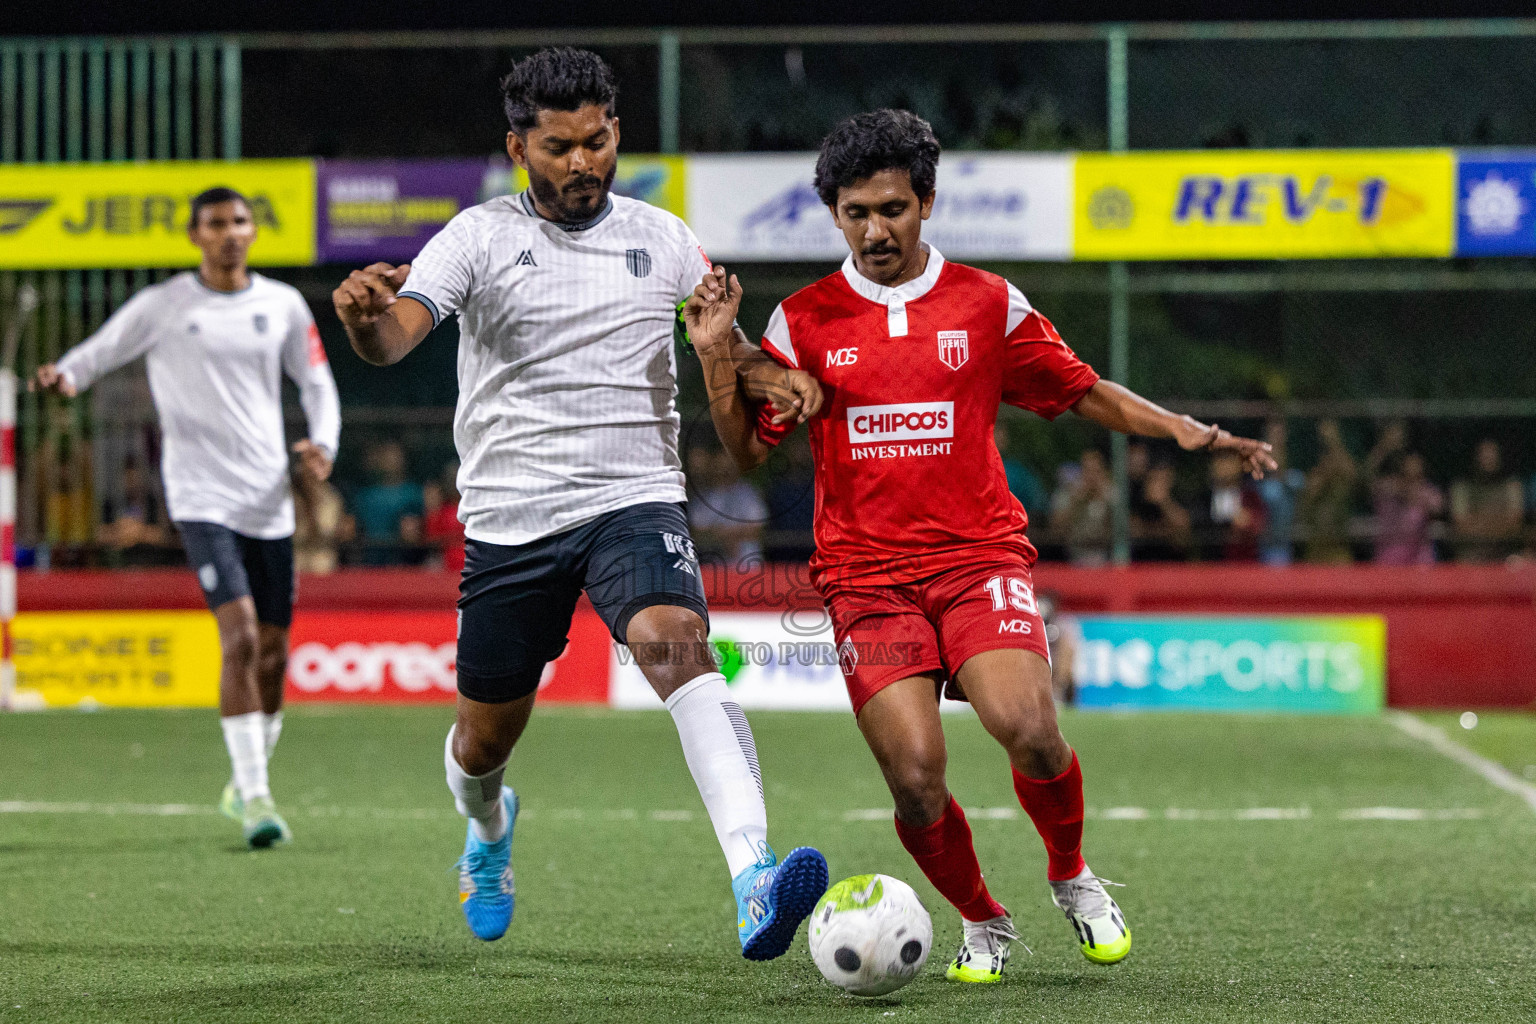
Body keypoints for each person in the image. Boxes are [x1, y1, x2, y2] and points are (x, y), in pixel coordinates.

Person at [685, 109, 1275, 983]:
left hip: (977, 560)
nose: (875, 229)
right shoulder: (802, 320)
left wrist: (1183, 430)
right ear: (835, 216)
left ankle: (1071, 874)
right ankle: (982, 919)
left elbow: (1081, 391)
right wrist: (714, 362)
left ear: (925, 201)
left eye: (892, 208)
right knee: (917, 777)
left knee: (1030, 730)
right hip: (865, 582)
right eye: (856, 213)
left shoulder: (986, 302)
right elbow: (748, 448)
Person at [330, 48, 827, 956]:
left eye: (596, 142)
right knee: (482, 746)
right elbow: (396, 338)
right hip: (511, 523)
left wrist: (774, 376)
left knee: (679, 651)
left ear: (616, 134)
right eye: (557, 147)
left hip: (634, 501)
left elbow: (733, 346)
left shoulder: (665, 237)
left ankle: (755, 875)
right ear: (518, 145)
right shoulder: (476, 238)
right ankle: (488, 834)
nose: (580, 164)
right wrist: (366, 322)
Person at [34, 186, 340, 848]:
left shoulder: (281, 305)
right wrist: (66, 375)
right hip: (201, 499)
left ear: (253, 231)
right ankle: (255, 794)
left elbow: (316, 381)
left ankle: (248, 774)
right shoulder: (166, 305)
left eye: (238, 221)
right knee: (240, 639)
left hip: (268, 499)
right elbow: (103, 348)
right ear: (195, 235)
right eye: (215, 224)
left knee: (275, 652)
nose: (228, 233)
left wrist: (324, 444)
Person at [687, 446, 767, 567]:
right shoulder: (704, 496)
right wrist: (722, 538)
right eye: (721, 466)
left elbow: (758, 530)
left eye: (729, 466)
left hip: (748, 565)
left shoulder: (749, 493)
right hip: (712, 567)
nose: (725, 470)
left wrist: (730, 536)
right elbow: (696, 532)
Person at [1449, 438, 1524, 563]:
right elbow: (1461, 526)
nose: (1489, 458)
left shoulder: (1512, 486)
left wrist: (1477, 522)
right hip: (1470, 557)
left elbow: (1514, 524)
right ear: (1475, 457)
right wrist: (1498, 521)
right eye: (1484, 454)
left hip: (1505, 555)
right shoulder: (1461, 487)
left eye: (1493, 453)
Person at [353, 440, 424, 565]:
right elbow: (354, 530)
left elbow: (416, 533)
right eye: (386, 454)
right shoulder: (366, 495)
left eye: (395, 455)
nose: (390, 460)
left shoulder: (414, 493)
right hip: (369, 561)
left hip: (404, 562)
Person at [1298, 419, 1358, 564]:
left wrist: (1334, 441)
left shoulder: (1340, 485)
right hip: (1315, 551)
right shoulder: (1313, 480)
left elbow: (1352, 474)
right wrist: (1322, 479)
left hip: (1339, 549)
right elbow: (1306, 503)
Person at [1372, 452, 1443, 565]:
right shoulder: (1387, 486)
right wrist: (1403, 492)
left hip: (1419, 555)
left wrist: (1420, 498)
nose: (1412, 470)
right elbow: (1376, 488)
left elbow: (1438, 509)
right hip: (1389, 553)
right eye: (1408, 466)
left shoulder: (1428, 491)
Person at [1049, 450, 1112, 566]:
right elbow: (1056, 526)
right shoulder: (1068, 494)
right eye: (1088, 471)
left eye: (1096, 471)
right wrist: (1077, 502)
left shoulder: (1111, 494)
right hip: (1073, 556)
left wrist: (1106, 502)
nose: (1092, 476)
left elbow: (1123, 530)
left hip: (1107, 557)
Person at [423, 462, 467, 574]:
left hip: (473, 564)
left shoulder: (473, 507)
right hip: (446, 568)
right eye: (450, 480)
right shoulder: (441, 511)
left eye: (456, 478)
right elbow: (432, 541)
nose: (453, 483)